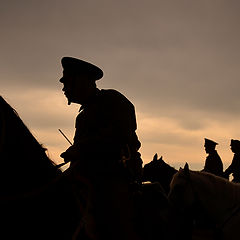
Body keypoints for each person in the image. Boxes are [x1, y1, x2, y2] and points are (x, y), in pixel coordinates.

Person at [59, 56, 142, 240]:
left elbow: (120, 137)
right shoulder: (82, 116)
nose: (63, 88)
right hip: (87, 175)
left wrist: (80, 150)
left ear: (80, 81)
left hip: (115, 175)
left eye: (67, 82)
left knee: (114, 223)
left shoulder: (112, 100)